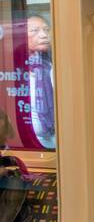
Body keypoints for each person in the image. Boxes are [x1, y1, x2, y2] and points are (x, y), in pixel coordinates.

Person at [25, 14, 55, 150]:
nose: (44, 35)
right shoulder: (14, 72)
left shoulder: (56, 65)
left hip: (58, 141)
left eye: (46, 30)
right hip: (29, 146)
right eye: (35, 30)